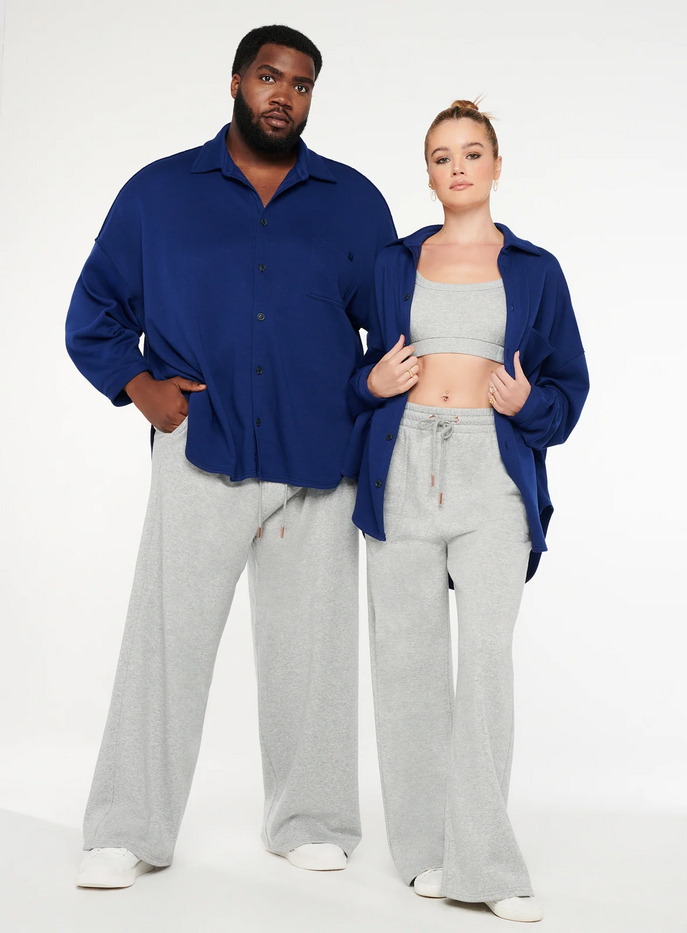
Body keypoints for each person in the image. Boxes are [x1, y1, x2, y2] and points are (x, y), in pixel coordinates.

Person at [65, 24, 396, 888]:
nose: (284, 95)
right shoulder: (158, 193)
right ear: (237, 82)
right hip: (200, 449)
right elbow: (94, 310)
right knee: (164, 646)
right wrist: (145, 389)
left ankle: (310, 818)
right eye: (269, 77)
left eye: (302, 84)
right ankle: (127, 827)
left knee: (313, 654)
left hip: (318, 463)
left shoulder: (356, 203)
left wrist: (363, 412)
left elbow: (393, 337)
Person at [343, 99, 589, 922]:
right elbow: (350, 367)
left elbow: (569, 385)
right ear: (428, 173)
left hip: (493, 473)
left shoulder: (536, 268)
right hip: (403, 465)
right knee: (408, 665)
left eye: (472, 153)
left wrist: (528, 405)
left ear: (495, 166)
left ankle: (485, 862)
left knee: (485, 662)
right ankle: (425, 851)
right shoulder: (393, 262)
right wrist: (369, 382)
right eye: (443, 156)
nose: (458, 167)